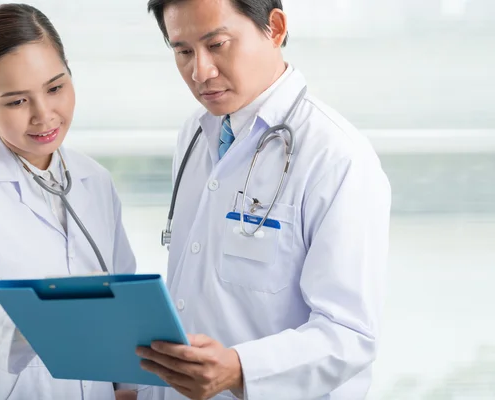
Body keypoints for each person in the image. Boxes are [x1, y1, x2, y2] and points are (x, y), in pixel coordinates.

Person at [136, 0, 392, 399]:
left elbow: (349, 334)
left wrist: (239, 369)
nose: (199, 71)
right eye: (183, 51)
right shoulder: (194, 135)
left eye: (217, 44)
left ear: (274, 28)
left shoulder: (336, 157)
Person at [0, 4, 137, 400]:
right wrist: (56, 325)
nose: (44, 115)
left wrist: (126, 384)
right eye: (17, 101)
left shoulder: (94, 181)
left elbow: (124, 297)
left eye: (55, 88)